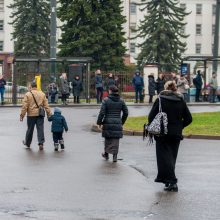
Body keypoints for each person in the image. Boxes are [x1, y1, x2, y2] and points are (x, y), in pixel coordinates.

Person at [148, 81, 192, 192]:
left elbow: (151, 116)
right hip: (176, 134)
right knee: (171, 158)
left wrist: (155, 126)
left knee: (164, 159)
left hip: (162, 133)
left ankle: (172, 182)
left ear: (165, 88)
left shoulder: (160, 100)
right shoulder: (180, 100)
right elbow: (189, 118)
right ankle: (167, 181)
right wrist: (179, 126)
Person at [97, 85, 128, 162]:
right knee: (116, 140)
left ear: (110, 91)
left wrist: (99, 123)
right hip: (118, 121)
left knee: (107, 138)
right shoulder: (121, 100)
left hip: (107, 121)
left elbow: (102, 113)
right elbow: (126, 113)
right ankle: (115, 157)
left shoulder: (106, 100)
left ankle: (106, 154)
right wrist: (122, 121)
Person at [20, 81, 52, 150]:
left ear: (31, 86)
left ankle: (28, 143)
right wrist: (49, 114)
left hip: (31, 115)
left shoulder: (28, 94)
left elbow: (24, 106)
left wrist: (22, 115)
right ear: (36, 87)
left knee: (30, 129)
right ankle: (41, 143)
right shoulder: (42, 94)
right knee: (40, 129)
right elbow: (46, 105)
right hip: (40, 114)